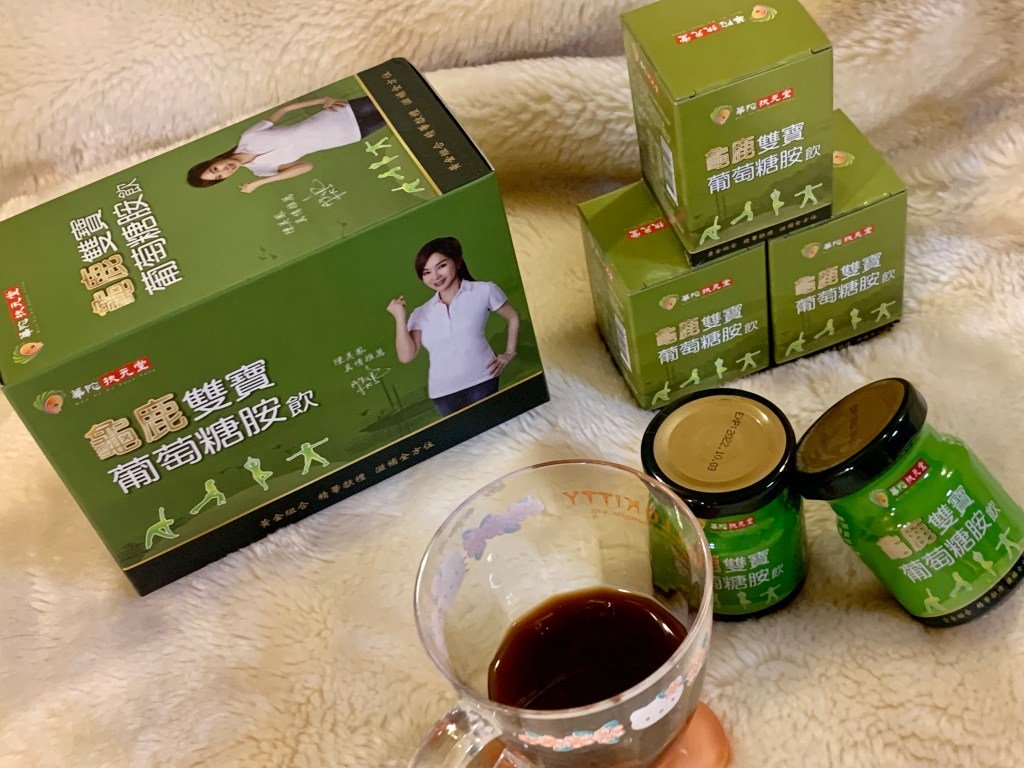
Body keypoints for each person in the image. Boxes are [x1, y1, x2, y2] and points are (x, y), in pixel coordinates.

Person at [386, 237, 520, 416]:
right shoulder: (421, 312)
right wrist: (400, 317)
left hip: (482, 379)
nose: (435, 277)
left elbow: (513, 317)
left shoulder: (483, 290)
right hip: (442, 393)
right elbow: (406, 356)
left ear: (457, 262)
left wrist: (510, 353)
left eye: (441, 266)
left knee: (490, 423)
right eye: (427, 272)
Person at [186, 95, 384, 192]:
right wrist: (259, 183)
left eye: (215, 169)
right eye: (220, 177)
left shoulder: (248, 137)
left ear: (214, 160)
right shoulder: (262, 170)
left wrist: (322, 100)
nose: (225, 171)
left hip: (338, 112)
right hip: (350, 134)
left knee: (393, 91)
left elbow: (284, 110)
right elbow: (306, 166)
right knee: (397, 113)